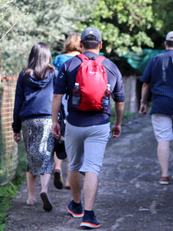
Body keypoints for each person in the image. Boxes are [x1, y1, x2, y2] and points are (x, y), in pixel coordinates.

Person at [52, 27, 125, 229]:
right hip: (100, 124)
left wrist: (54, 121)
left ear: (81, 45)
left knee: (74, 165)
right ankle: (89, 215)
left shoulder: (69, 65)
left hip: (74, 123)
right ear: (101, 46)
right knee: (92, 168)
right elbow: (119, 100)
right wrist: (117, 123)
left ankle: (76, 206)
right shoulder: (111, 66)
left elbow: (57, 96)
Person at [139, 31, 173, 185]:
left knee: (163, 139)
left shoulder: (155, 60)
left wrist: (143, 103)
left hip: (160, 105)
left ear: (165, 44)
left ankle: (164, 175)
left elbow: (145, 83)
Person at [12, 42, 57, 211]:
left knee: (32, 157)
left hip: (28, 119)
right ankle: (44, 189)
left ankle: (31, 197)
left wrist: (15, 127)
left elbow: (18, 101)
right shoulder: (53, 73)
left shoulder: (24, 75)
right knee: (46, 154)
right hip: (47, 117)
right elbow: (59, 96)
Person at [51, 33, 81, 190]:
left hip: (61, 100)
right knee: (73, 140)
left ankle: (57, 167)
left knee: (59, 137)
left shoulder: (58, 59)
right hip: (76, 102)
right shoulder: (83, 59)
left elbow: (54, 81)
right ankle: (70, 180)